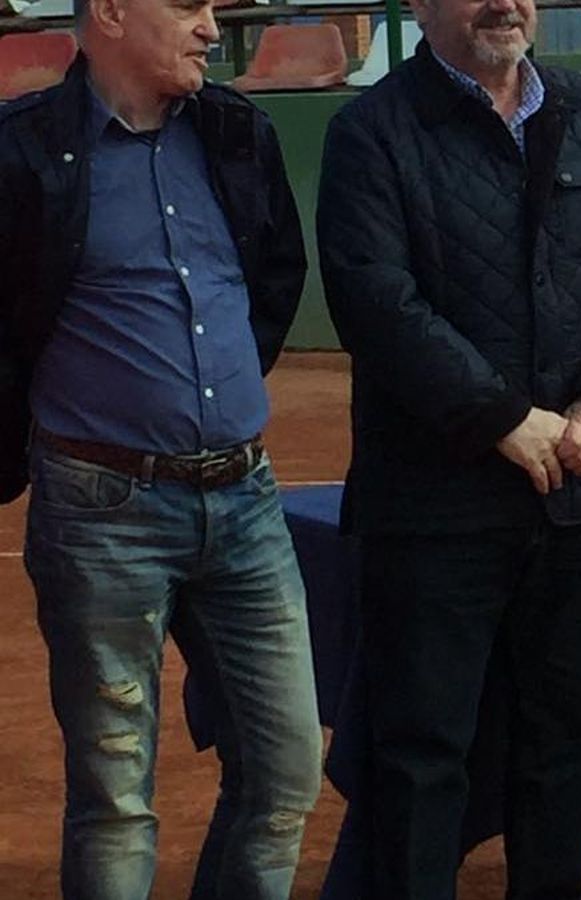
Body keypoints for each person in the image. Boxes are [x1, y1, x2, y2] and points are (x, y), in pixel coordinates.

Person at [315, 0, 581, 893]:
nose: (505, 3)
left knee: (570, 738)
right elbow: (377, 303)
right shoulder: (370, 131)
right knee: (420, 755)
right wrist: (506, 420)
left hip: (575, 493)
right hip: (432, 508)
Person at [0, 0, 323, 895]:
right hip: (101, 512)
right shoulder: (20, 151)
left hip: (247, 499)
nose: (212, 27)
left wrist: (208, 398)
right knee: (115, 801)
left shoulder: (238, 134)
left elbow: (273, 278)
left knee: (286, 772)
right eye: (187, 5)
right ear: (110, 11)